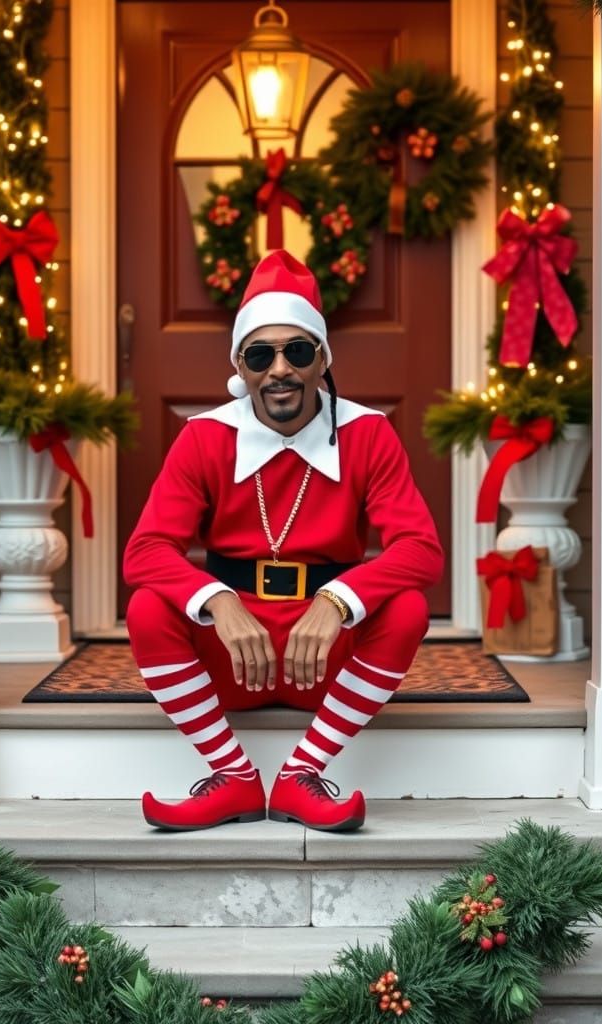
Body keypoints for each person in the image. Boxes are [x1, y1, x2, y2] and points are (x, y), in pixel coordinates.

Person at [123, 249, 444, 832]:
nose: (280, 370)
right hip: (234, 660)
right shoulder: (203, 439)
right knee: (148, 606)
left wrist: (337, 600)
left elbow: (421, 550)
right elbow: (145, 552)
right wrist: (218, 600)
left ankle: (302, 775)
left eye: (298, 351)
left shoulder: (368, 434)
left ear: (323, 360)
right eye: (260, 355)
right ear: (240, 369)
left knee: (408, 607)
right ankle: (233, 778)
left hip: (324, 661)